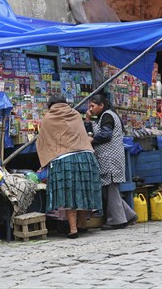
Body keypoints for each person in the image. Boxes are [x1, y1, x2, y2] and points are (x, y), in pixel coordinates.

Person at [36, 94, 103, 239]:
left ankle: (73, 229)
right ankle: (81, 224)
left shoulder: (48, 118)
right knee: (84, 190)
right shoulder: (75, 115)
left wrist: (46, 160)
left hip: (65, 159)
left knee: (69, 194)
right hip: (86, 157)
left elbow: (44, 140)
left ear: (50, 105)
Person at [84, 93, 137, 229]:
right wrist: (88, 120)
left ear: (101, 105)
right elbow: (92, 133)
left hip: (110, 159)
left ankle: (117, 221)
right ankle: (128, 214)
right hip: (108, 158)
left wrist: (93, 140)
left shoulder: (107, 116)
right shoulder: (103, 117)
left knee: (111, 189)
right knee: (109, 189)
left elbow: (106, 135)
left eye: (93, 106)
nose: (90, 109)